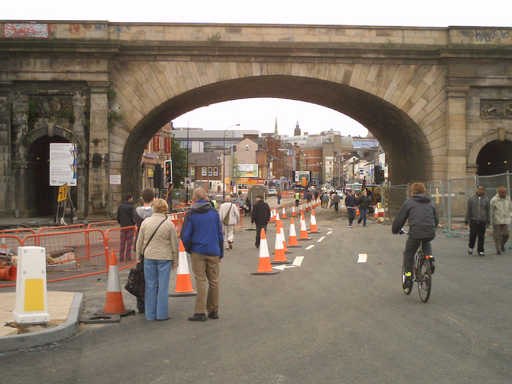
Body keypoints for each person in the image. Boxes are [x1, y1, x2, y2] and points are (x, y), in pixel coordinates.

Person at [181, 188, 224, 322]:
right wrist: (220, 252)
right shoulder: (214, 213)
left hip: (198, 250)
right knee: (214, 281)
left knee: (200, 280)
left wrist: (189, 249)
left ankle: (200, 312)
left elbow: (185, 236)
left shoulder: (191, 214)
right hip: (213, 250)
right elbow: (219, 234)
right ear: (206, 198)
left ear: (194, 199)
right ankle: (213, 310)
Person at [136, 199, 179, 321]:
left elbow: (140, 241)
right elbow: (174, 244)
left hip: (149, 256)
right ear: (165, 209)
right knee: (163, 287)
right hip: (165, 257)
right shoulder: (169, 224)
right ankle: (162, 314)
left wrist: (138, 256)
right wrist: (175, 261)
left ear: (154, 208)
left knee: (150, 286)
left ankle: (150, 314)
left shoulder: (146, 222)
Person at [392, 182, 439, 289]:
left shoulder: (409, 203)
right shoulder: (430, 202)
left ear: (412, 191)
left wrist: (396, 229)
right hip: (430, 231)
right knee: (426, 242)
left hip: (416, 232)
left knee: (409, 253)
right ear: (424, 191)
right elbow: (436, 219)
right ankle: (430, 259)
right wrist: (432, 227)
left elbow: (400, 219)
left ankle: (408, 277)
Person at [465, 185, 490, 257]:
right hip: (473, 220)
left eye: (482, 189)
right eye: (479, 189)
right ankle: (471, 247)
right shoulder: (471, 199)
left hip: (482, 220)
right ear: (477, 190)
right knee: (472, 235)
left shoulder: (486, 199)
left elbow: (488, 211)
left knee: (481, 236)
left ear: (484, 191)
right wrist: (466, 219)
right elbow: (468, 210)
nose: (480, 191)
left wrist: (488, 220)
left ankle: (481, 250)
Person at [490, 186, 511, 255]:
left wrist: (510, 215)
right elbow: (491, 211)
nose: (504, 194)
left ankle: (502, 244)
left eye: (505, 192)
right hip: (497, 220)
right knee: (497, 236)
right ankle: (498, 249)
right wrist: (491, 221)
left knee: (506, 235)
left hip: (505, 220)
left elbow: (510, 208)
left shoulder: (508, 198)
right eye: (502, 192)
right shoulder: (494, 200)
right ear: (498, 192)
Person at [116, 194, 135, 263]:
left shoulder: (120, 206)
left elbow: (118, 216)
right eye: (132, 198)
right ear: (129, 199)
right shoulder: (131, 207)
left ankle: (121, 257)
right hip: (130, 226)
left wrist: (120, 222)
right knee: (129, 242)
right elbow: (133, 217)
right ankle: (128, 256)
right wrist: (134, 223)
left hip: (123, 226)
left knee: (122, 242)